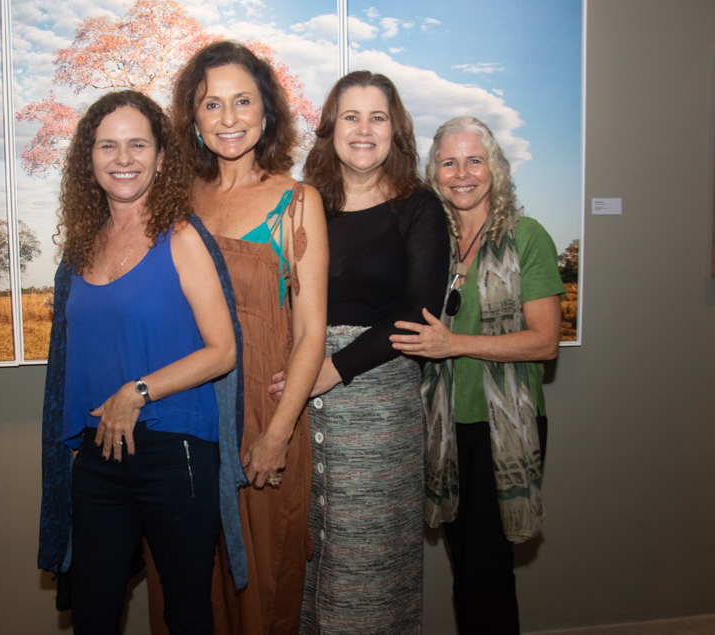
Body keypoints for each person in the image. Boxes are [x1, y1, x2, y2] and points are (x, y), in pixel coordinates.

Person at [37, 90, 239, 635]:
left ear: (161, 157)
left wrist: (139, 390)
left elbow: (223, 351)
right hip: (98, 455)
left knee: (187, 615)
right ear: (90, 158)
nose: (122, 158)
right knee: (93, 615)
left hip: (174, 451)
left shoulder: (181, 236)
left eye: (137, 145)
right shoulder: (80, 248)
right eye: (108, 145)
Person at [143, 41, 328, 635]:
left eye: (242, 101)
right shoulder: (170, 200)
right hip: (183, 412)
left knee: (263, 588)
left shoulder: (297, 202)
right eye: (211, 104)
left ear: (266, 111)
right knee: (188, 585)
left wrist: (277, 435)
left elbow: (310, 332)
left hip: (262, 414)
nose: (228, 118)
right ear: (192, 119)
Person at [264, 70, 449, 633]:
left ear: (396, 130)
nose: (363, 129)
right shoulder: (304, 205)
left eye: (378, 117)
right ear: (330, 128)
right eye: (350, 116)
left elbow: (417, 315)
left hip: (379, 404)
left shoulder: (419, 209)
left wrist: (333, 369)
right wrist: (300, 371)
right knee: (306, 558)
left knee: (368, 570)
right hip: (302, 399)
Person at [389, 116, 565, 634]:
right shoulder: (431, 244)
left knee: (486, 573)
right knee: (464, 567)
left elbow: (545, 341)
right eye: (449, 162)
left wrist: (453, 344)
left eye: (474, 160)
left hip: (503, 427)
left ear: (495, 169)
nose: (461, 173)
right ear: (434, 172)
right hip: (443, 426)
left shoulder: (525, 237)